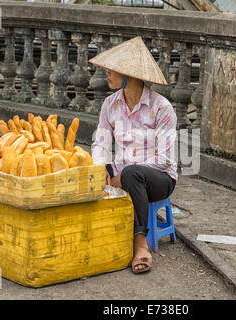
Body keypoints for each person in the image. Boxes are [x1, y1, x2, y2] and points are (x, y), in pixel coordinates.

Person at [89, 36, 178, 274]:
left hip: (159, 179)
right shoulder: (110, 104)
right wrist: (102, 169)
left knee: (132, 173)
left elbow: (165, 159)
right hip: (123, 173)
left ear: (131, 75)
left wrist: (125, 173)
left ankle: (140, 244)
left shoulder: (161, 108)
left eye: (113, 69)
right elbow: (101, 142)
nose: (107, 73)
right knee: (94, 164)